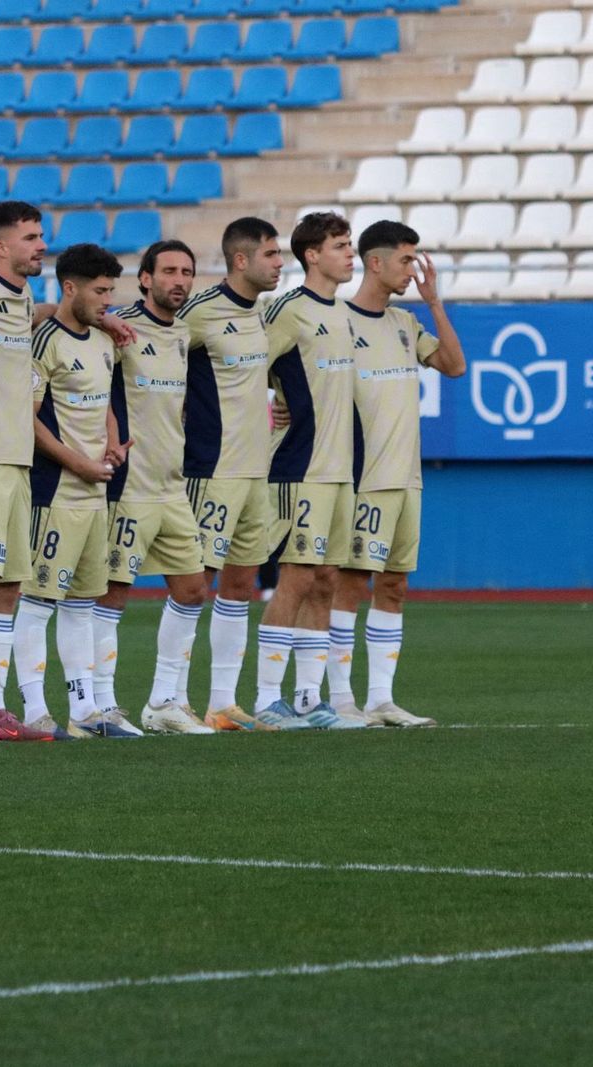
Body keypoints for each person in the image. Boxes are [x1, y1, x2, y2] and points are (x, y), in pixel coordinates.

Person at [330, 220, 467, 727]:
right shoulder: (336, 321)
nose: (414, 269)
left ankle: (381, 700)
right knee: (350, 584)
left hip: (407, 478)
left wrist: (434, 303)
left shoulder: (405, 324)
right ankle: (341, 700)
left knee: (394, 587)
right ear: (375, 262)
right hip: (362, 476)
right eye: (407, 260)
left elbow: (454, 366)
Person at [12, 243, 138, 740]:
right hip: (56, 489)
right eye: (101, 291)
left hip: (93, 491)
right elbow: (30, 418)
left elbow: (102, 398)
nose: (108, 300)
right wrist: (79, 463)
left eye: (111, 290)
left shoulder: (104, 341)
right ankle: (34, 711)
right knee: (38, 602)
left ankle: (85, 712)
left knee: (83, 604)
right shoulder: (45, 341)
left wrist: (110, 442)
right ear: (70, 288)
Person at [93, 240, 213, 735]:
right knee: (112, 593)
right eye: (168, 271)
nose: (178, 280)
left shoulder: (184, 331)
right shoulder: (116, 325)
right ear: (145, 278)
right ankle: (100, 704)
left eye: (186, 271)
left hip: (171, 485)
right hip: (129, 484)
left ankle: (165, 701)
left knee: (192, 589)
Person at [253, 212, 367, 730]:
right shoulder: (288, 312)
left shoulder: (342, 313)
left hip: (340, 471)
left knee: (325, 581)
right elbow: (245, 366)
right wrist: (266, 404)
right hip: (300, 466)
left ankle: (307, 701)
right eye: (341, 245)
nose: (351, 254)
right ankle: (265, 702)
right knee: (296, 579)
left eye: (350, 245)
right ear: (312, 255)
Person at [177, 217, 286, 731]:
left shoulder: (263, 315)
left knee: (241, 584)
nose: (279, 263)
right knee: (193, 586)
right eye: (271, 254)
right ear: (240, 260)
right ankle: (169, 700)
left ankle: (222, 703)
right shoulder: (198, 314)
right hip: (211, 469)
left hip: (254, 471)